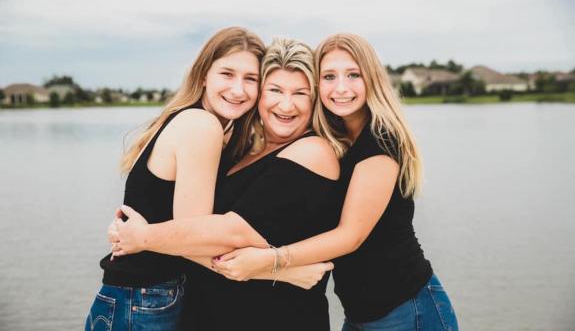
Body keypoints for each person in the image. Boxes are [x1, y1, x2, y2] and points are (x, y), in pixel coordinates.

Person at [212, 33, 460, 331]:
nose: (341, 88)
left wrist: (269, 261)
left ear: (372, 79)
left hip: (407, 308)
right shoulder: (336, 138)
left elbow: (350, 236)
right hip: (360, 312)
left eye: (353, 75)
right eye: (329, 76)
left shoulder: (380, 140)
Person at [108, 38, 339, 331]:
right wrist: (282, 271)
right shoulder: (237, 147)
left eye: (300, 93)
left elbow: (232, 232)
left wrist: (142, 237)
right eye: (275, 90)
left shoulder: (313, 151)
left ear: (315, 99)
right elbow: (194, 229)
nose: (285, 104)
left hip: (277, 318)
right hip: (174, 307)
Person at [85, 26, 267, 331]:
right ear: (204, 75)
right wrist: (284, 268)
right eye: (227, 74)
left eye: (251, 79)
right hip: (145, 299)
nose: (238, 89)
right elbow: (194, 239)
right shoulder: (201, 125)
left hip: (141, 297)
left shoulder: (220, 129)